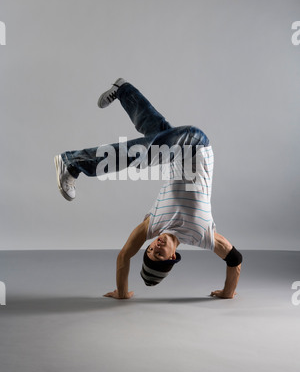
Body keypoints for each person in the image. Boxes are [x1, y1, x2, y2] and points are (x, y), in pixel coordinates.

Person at [54, 79, 242, 300]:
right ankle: (73, 163)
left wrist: (122, 293)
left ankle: (124, 90)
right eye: (159, 255)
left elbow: (124, 256)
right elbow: (235, 260)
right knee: (140, 153)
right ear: (172, 257)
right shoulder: (202, 236)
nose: (155, 247)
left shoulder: (152, 226)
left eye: (150, 250)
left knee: (150, 126)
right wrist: (228, 293)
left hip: (177, 152)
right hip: (195, 144)